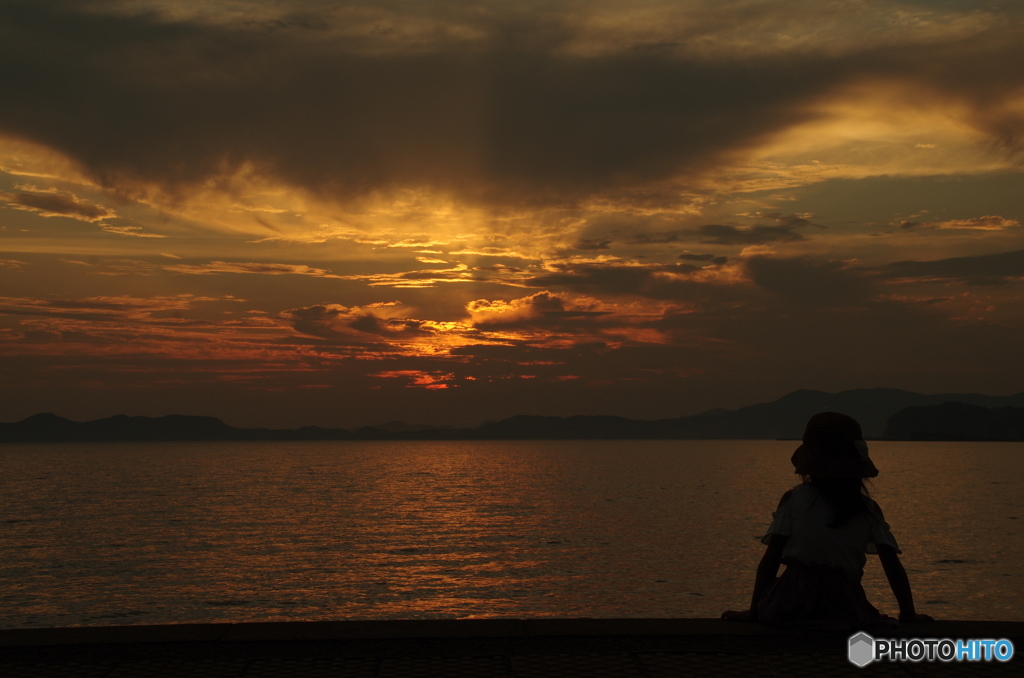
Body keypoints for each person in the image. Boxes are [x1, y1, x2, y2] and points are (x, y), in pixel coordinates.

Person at [721, 411, 933, 629]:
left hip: (791, 604)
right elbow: (892, 565)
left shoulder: (793, 499)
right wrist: (908, 613)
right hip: (844, 607)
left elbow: (771, 559)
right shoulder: (868, 509)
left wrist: (754, 610)